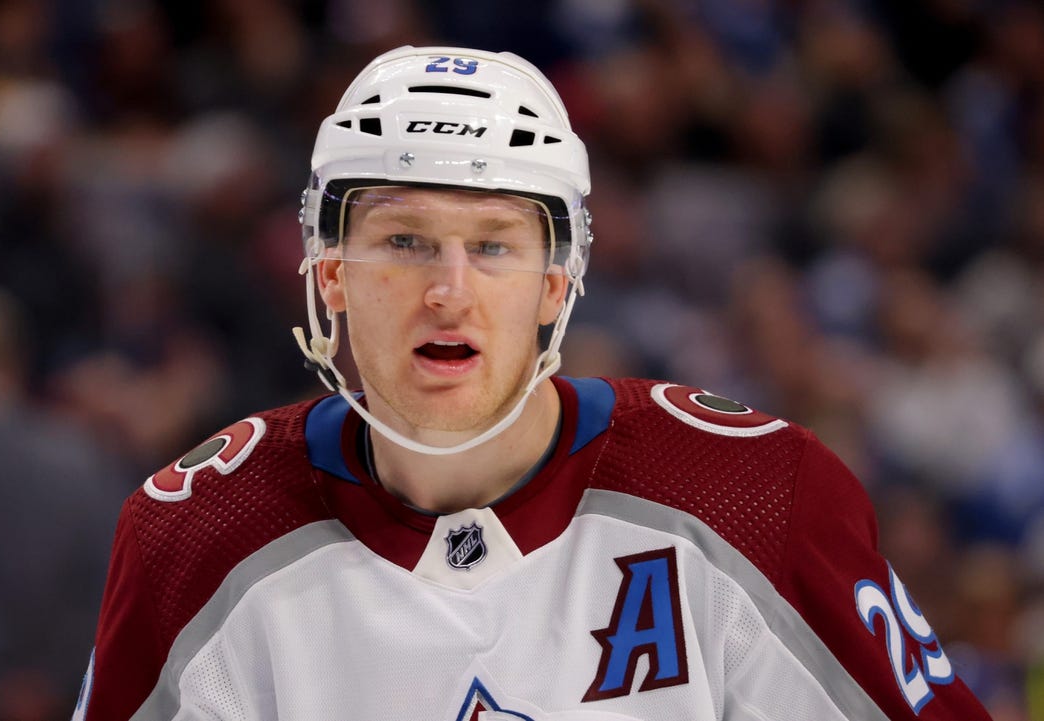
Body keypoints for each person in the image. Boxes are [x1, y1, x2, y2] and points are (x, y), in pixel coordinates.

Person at [73, 46, 994, 720]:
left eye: (494, 245)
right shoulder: (191, 537)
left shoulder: (756, 497)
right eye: (404, 240)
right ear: (330, 272)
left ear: (557, 281)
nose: (449, 289)